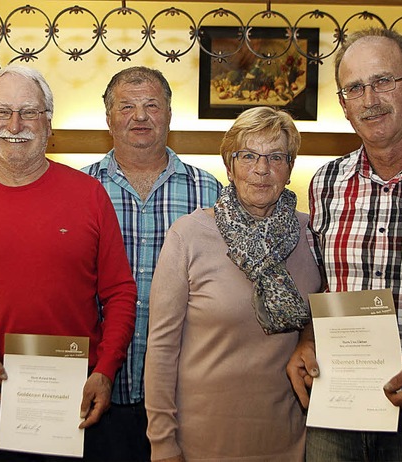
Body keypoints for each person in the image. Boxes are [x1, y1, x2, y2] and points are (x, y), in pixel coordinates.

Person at [0, 64, 137, 461]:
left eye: (29, 112)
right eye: (1, 112)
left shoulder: (89, 196)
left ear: (48, 124)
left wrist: (106, 370)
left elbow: (120, 292)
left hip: (78, 391)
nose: (14, 124)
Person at [286, 27, 402, 461]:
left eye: (383, 81)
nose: (370, 99)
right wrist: (307, 340)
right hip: (338, 407)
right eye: (355, 88)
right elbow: (322, 287)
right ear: (344, 106)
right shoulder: (326, 184)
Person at [144, 106, 321, 461]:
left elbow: (322, 321)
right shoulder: (188, 236)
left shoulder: (313, 234)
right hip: (200, 441)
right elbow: (162, 350)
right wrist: (162, 443)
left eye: (275, 157)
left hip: (290, 440)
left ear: (290, 168)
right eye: (248, 156)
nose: (261, 169)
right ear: (229, 166)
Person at [82, 66, 221, 462]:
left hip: (184, 392)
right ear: (108, 118)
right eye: (126, 106)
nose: (140, 116)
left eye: (151, 106)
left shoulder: (208, 190)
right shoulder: (80, 189)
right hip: (96, 388)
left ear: (170, 115)